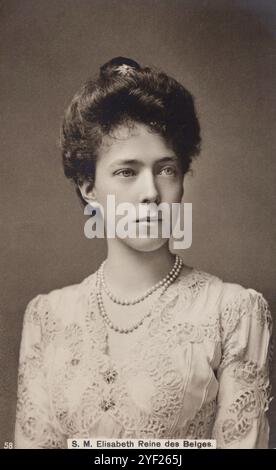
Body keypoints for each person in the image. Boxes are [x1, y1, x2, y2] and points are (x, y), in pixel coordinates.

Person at [14, 57, 273, 449]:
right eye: (127, 172)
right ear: (88, 187)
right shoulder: (47, 318)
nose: (151, 192)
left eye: (166, 169)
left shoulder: (234, 313)